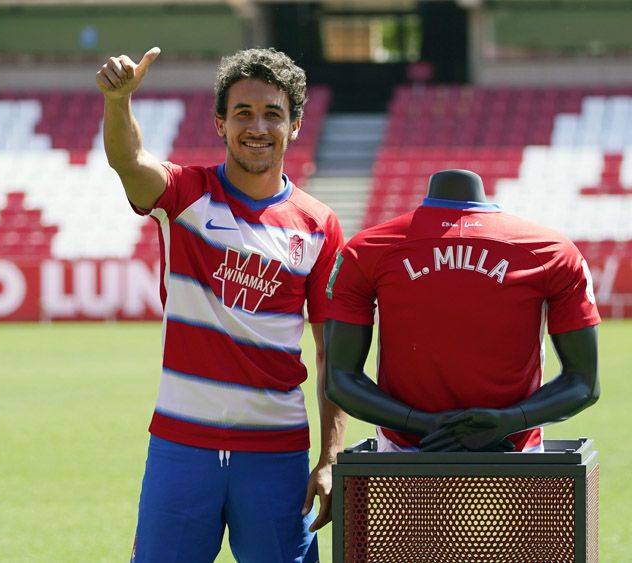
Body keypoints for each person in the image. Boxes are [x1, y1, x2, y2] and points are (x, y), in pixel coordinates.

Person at [96, 46, 347, 562]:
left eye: (273, 114)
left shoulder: (319, 225)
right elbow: (128, 160)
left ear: (295, 125)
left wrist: (329, 456)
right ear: (219, 123)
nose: (257, 127)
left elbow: (332, 354)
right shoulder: (185, 195)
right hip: (181, 448)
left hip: (278, 455)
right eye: (243, 113)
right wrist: (118, 102)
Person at [325, 169, 600, 453]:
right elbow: (583, 383)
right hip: (517, 461)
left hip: (406, 461)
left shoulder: (367, 249)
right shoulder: (553, 251)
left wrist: (423, 424)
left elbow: (340, 381)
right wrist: (508, 421)